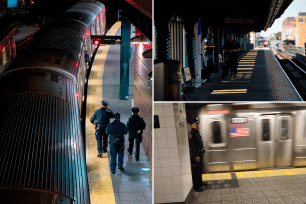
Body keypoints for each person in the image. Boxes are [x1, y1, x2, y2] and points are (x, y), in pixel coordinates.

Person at [188, 117, 206, 192]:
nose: (197, 125)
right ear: (192, 124)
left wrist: (203, 148)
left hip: (200, 154)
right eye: (196, 123)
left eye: (198, 123)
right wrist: (196, 156)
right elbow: (192, 146)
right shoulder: (191, 134)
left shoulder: (197, 132)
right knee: (195, 171)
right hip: (196, 156)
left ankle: (200, 182)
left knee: (199, 169)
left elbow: (199, 143)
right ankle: (196, 186)